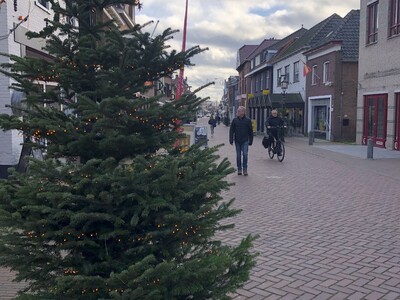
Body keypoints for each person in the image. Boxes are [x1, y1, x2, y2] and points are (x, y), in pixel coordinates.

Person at [229, 106, 253, 176]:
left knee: (245, 154)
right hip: (237, 140)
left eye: (239, 111)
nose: (238, 112)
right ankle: (239, 169)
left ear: (243, 112)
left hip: (245, 140)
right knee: (238, 155)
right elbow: (231, 130)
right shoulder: (234, 120)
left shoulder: (248, 120)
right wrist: (231, 139)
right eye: (238, 111)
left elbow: (250, 131)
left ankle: (245, 169)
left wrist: (251, 140)